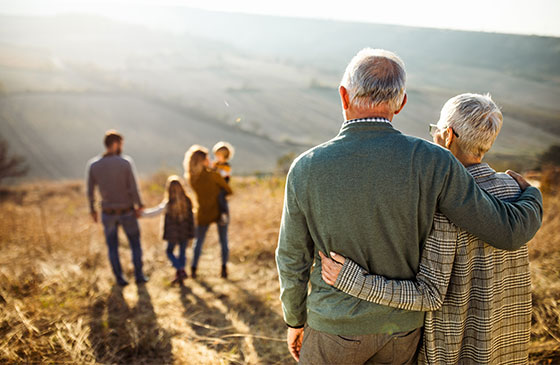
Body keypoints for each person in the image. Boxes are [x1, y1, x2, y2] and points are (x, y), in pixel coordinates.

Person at [275, 48, 543, 364]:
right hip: (402, 332)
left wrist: (295, 319)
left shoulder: (307, 167)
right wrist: (532, 196)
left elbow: (292, 257)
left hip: (334, 327)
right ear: (401, 103)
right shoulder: (433, 161)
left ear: (344, 96)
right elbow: (505, 231)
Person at [321, 93, 533, 364]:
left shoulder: (440, 204)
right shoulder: (515, 189)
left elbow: (430, 295)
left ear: (447, 136)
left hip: (455, 350)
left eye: (434, 131)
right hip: (507, 345)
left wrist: (354, 281)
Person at [86, 130, 148, 286]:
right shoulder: (125, 163)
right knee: (135, 244)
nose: (121, 147)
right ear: (115, 144)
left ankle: (120, 278)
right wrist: (139, 205)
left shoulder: (94, 165)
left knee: (112, 246)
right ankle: (139, 276)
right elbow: (133, 188)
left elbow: (90, 190)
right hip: (127, 211)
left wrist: (92, 210)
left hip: (107, 213)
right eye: (121, 144)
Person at [183, 145, 233, 279]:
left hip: (203, 211)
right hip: (220, 210)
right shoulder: (214, 175)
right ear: (203, 160)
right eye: (207, 158)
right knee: (223, 241)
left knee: (198, 242)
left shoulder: (192, 178)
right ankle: (223, 268)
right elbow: (228, 190)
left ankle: (193, 269)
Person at [142, 176, 195, 285]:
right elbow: (192, 218)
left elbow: (155, 212)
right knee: (182, 253)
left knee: (169, 251)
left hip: (173, 234)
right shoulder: (188, 201)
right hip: (185, 232)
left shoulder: (168, 203)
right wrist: (192, 231)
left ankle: (180, 270)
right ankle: (180, 272)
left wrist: (142, 214)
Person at [212, 141, 235, 226]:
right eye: (216, 155)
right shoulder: (215, 164)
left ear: (225, 156)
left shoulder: (226, 166)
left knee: (221, 197)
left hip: (223, 187)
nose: (217, 157)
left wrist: (216, 171)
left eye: (219, 156)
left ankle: (224, 213)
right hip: (216, 187)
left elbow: (222, 175)